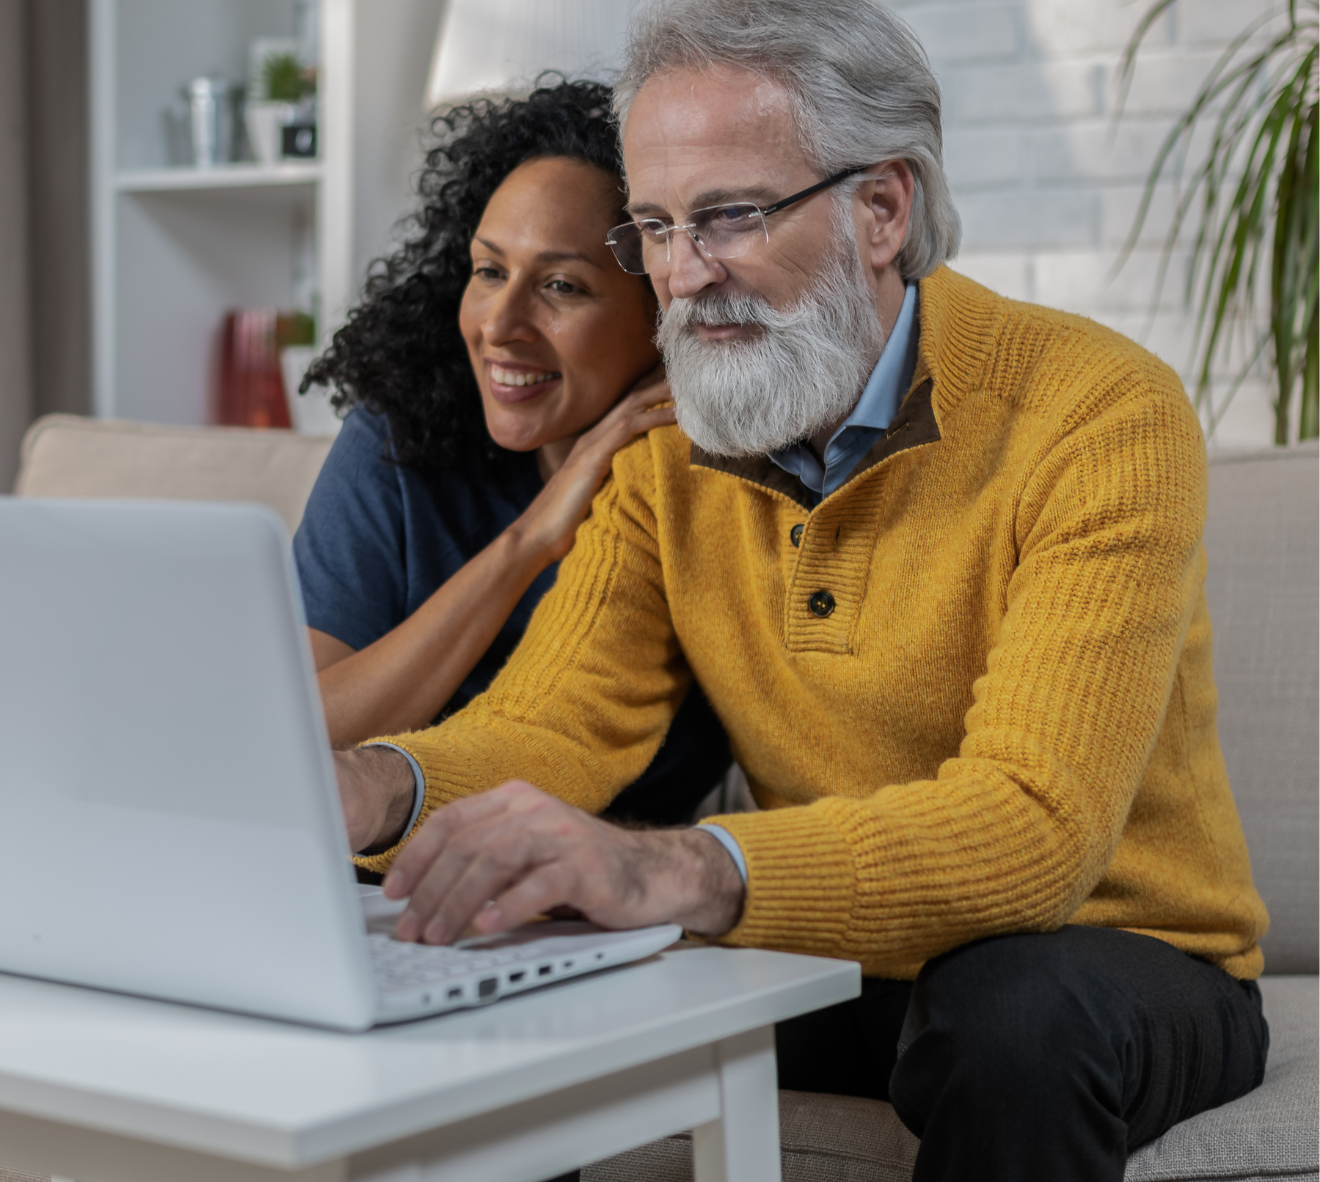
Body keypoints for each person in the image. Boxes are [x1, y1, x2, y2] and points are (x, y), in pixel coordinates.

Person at [331, 3, 1271, 1178]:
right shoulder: (672, 442)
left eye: (728, 217)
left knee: (1017, 1013)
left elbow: (1038, 830)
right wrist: (376, 787)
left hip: (1113, 952)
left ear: (883, 209)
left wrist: (678, 867)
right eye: (656, 228)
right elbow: (555, 722)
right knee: (503, 962)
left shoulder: (1099, 412)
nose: (681, 275)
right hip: (838, 948)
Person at [294, 79, 730, 827]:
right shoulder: (400, 437)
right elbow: (300, 732)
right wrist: (529, 542)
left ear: (666, 311)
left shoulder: (720, 484)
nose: (500, 324)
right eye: (489, 271)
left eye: (561, 285)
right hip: (376, 880)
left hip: (617, 901)